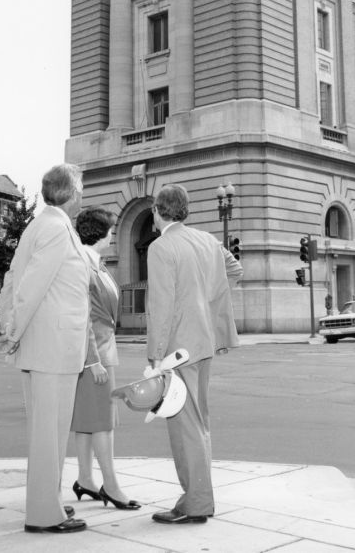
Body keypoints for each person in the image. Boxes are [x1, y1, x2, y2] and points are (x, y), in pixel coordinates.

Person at [0, 163, 90, 535]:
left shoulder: (45, 225)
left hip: (50, 347)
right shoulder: (54, 229)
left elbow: (13, 279)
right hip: (52, 347)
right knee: (49, 433)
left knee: (49, 432)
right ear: (69, 192)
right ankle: (42, 512)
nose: (83, 195)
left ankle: (47, 500)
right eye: (81, 187)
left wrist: (12, 328)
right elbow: (30, 286)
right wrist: (13, 330)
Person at [146, 183, 240, 525]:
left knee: (184, 425)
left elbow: (161, 305)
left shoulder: (160, 247)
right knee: (198, 422)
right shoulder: (207, 241)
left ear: (158, 211)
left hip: (178, 350)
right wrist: (206, 305)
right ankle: (197, 497)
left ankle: (196, 502)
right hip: (204, 344)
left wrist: (155, 356)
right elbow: (235, 272)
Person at [70, 206, 141, 511]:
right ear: (101, 232)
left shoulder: (94, 262)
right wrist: (92, 360)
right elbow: (81, 315)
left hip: (99, 352)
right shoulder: (84, 264)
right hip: (94, 356)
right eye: (111, 229)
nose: (113, 234)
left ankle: (85, 479)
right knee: (103, 423)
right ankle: (110, 486)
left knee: (88, 420)